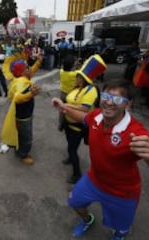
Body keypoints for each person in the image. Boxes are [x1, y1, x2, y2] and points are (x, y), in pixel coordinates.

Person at [52, 79, 149, 240]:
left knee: (120, 228)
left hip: (122, 192)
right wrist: (64, 108)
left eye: (117, 99)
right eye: (106, 95)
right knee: (75, 203)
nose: (109, 102)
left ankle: (118, 235)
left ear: (128, 105)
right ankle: (87, 220)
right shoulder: (97, 116)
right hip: (94, 180)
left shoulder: (137, 132)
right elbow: (84, 118)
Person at [62, 55, 105, 184]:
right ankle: (70, 158)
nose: (76, 78)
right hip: (68, 123)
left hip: (78, 126)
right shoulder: (77, 87)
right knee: (70, 145)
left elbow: (85, 109)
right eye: (77, 76)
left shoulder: (91, 90)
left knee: (72, 149)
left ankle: (77, 174)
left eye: (79, 76)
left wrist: (67, 106)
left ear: (84, 79)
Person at [1, 53, 43, 165]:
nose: (30, 69)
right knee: (27, 137)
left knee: (20, 134)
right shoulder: (21, 83)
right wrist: (31, 94)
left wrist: (38, 62)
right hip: (24, 117)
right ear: (23, 72)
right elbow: (18, 98)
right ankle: (23, 154)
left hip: (22, 115)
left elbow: (31, 72)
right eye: (27, 68)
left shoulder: (20, 79)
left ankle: (19, 148)